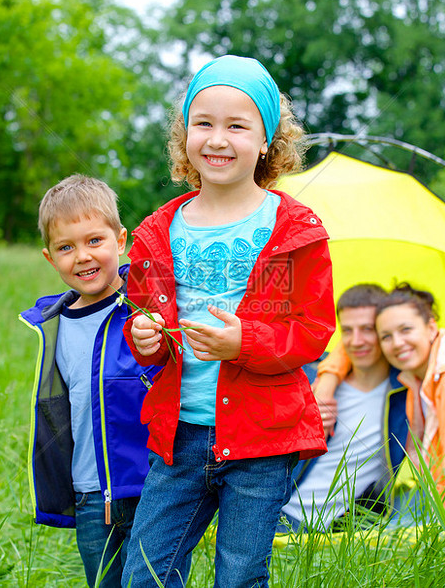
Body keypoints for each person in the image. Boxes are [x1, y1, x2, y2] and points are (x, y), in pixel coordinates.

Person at [120, 55, 336, 587]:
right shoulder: (158, 229)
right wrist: (144, 337)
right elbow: (144, 314)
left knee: (239, 575)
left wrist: (246, 342)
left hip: (264, 436)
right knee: (145, 573)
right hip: (181, 433)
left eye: (237, 126)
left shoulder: (293, 228)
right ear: (184, 135)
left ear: (267, 141)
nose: (218, 138)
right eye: (204, 123)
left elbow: (312, 331)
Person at [19, 175, 162, 587]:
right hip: (88, 494)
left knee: (153, 580)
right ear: (50, 258)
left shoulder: (148, 306)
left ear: (121, 240)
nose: (83, 256)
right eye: (67, 248)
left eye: (94, 241)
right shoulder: (54, 325)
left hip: (151, 486)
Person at [281, 284, 409, 531]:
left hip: (344, 532)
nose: (356, 341)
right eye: (347, 330)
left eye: (367, 330)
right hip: (282, 517)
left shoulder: (406, 393)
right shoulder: (310, 378)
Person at [375, 283, 445, 512]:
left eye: (406, 330)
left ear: (431, 328)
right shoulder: (417, 377)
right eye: (386, 336)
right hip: (437, 491)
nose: (397, 343)